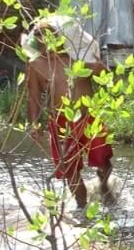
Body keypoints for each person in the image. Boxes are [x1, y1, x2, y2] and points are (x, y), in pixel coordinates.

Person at [25, 15, 113, 209]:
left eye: (47, 35)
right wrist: (34, 123)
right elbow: (33, 96)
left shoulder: (79, 60)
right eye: (38, 35)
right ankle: (82, 207)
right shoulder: (36, 64)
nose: (42, 39)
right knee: (68, 168)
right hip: (60, 121)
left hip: (88, 117)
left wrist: (96, 65)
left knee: (103, 159)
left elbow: (105, 75)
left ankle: (105, 187)